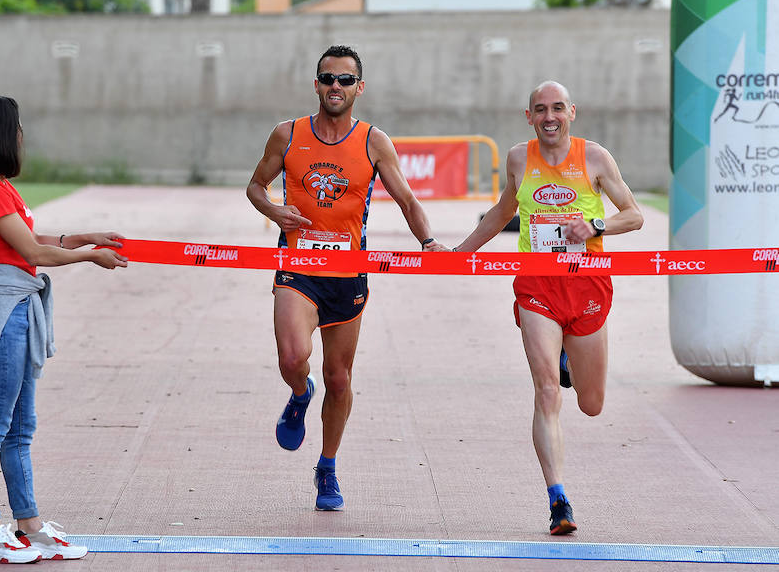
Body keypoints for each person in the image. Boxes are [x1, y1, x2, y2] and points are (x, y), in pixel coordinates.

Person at [246, 45, 445, 511]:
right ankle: (299, 393)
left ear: (360, 87)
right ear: (316, 84)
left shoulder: (374, 141)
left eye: (345, 79)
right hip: (298, 268)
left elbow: (408, 200)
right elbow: (256, 185)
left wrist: (428, 242)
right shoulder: (287, 134)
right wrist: (276, 211)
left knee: (339, 378)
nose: (336, 86)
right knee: (294, 357)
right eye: (328, 78)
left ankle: (327, 467)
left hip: (347, 274)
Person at [453, 81, 643, 534]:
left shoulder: (594, 157)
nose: (550, 117)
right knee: (546, 392)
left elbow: (633, 214)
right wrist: (460, 254)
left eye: (558, 108)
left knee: (592, 403)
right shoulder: (519, 158)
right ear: (529, 116)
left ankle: (567, 358)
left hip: (587, 284)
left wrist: (594, 225)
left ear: (572, 112)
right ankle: (558, 499)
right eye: (541, 110)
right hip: (537, 286)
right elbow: (501, 213)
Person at [0, 95, 128, 563]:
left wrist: (84, 236)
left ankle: (27, 525)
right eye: (16, 126)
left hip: (17, 311)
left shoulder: (1, 186)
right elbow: (34, 254)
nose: (21, 134)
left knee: (20, 426)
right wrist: (90, 256)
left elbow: (33, 241)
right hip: (1, 313)